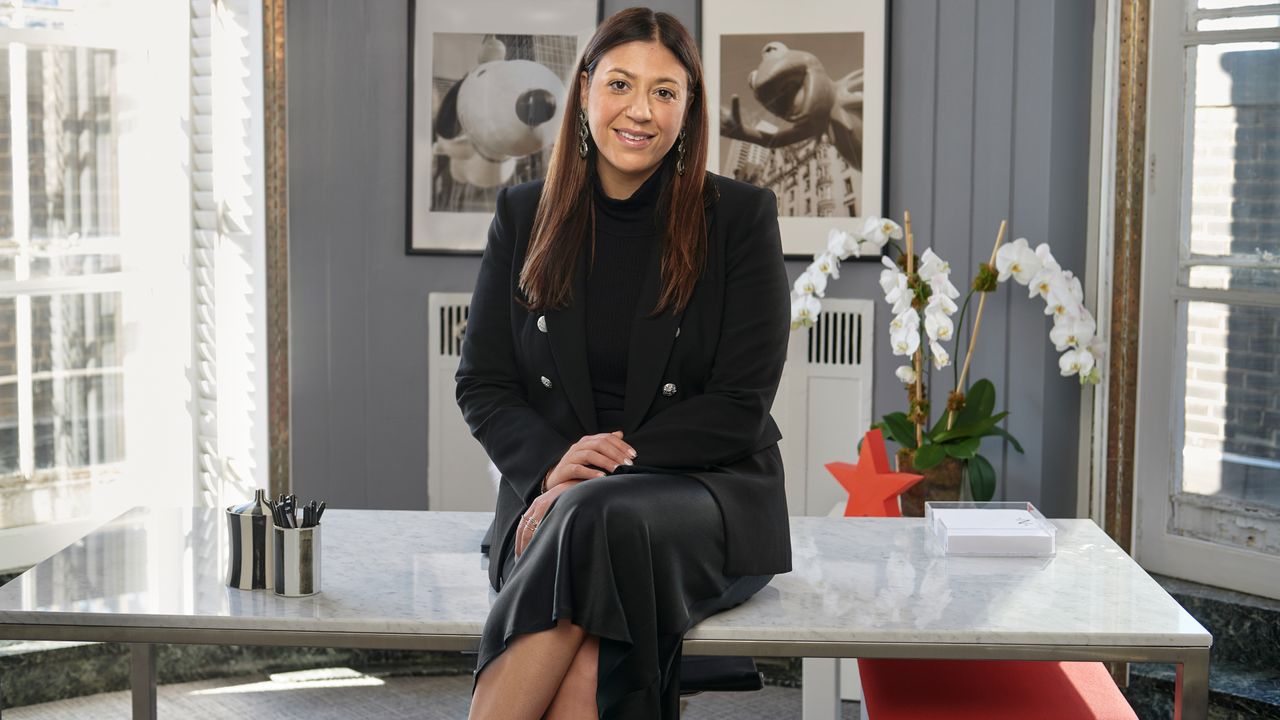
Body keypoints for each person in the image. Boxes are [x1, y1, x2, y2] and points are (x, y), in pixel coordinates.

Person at [456, 7, 791, 719]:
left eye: (665, 92)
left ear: (689, 108)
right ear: (584, 91)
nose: (640, 110)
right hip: (553, 503)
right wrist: (553, 471)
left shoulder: (739, 218)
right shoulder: (524, 215)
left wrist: (594, 473)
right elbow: (482, 383)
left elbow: (740, 405)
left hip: (703, 502)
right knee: (588, 636)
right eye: (620, 84)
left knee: (594, 520)